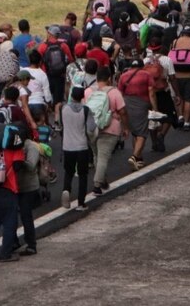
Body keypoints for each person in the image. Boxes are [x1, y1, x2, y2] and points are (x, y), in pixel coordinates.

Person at [88, 67, 127, 196]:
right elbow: (122, 111)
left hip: (93, 128)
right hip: (111, 128)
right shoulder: (114, 92)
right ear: (109, 78)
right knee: (103, 157)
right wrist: (126, 127)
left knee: (96, 156)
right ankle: (97, 185)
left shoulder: (89, 92)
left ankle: (102, 181)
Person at [116, 59, 155, 171]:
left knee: (135, 132)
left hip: (127, 103)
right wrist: (154, 108)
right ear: (142, 66)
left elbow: (120, 92)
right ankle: (134, 156)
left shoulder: (124, 75)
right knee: (142, 132)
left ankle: (139, 158)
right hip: (141, 103)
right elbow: (151, 92)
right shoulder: (146, 74)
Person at [60, 87, 94, 210]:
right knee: (83, 174)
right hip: (82, 146)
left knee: (68, 172)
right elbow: (91, 128)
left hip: (68, 146)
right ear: (82, 97)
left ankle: (66, 189)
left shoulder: (63, 108)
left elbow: (61, 125)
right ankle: (81, 202)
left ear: (71, 96)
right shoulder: (86, 110)